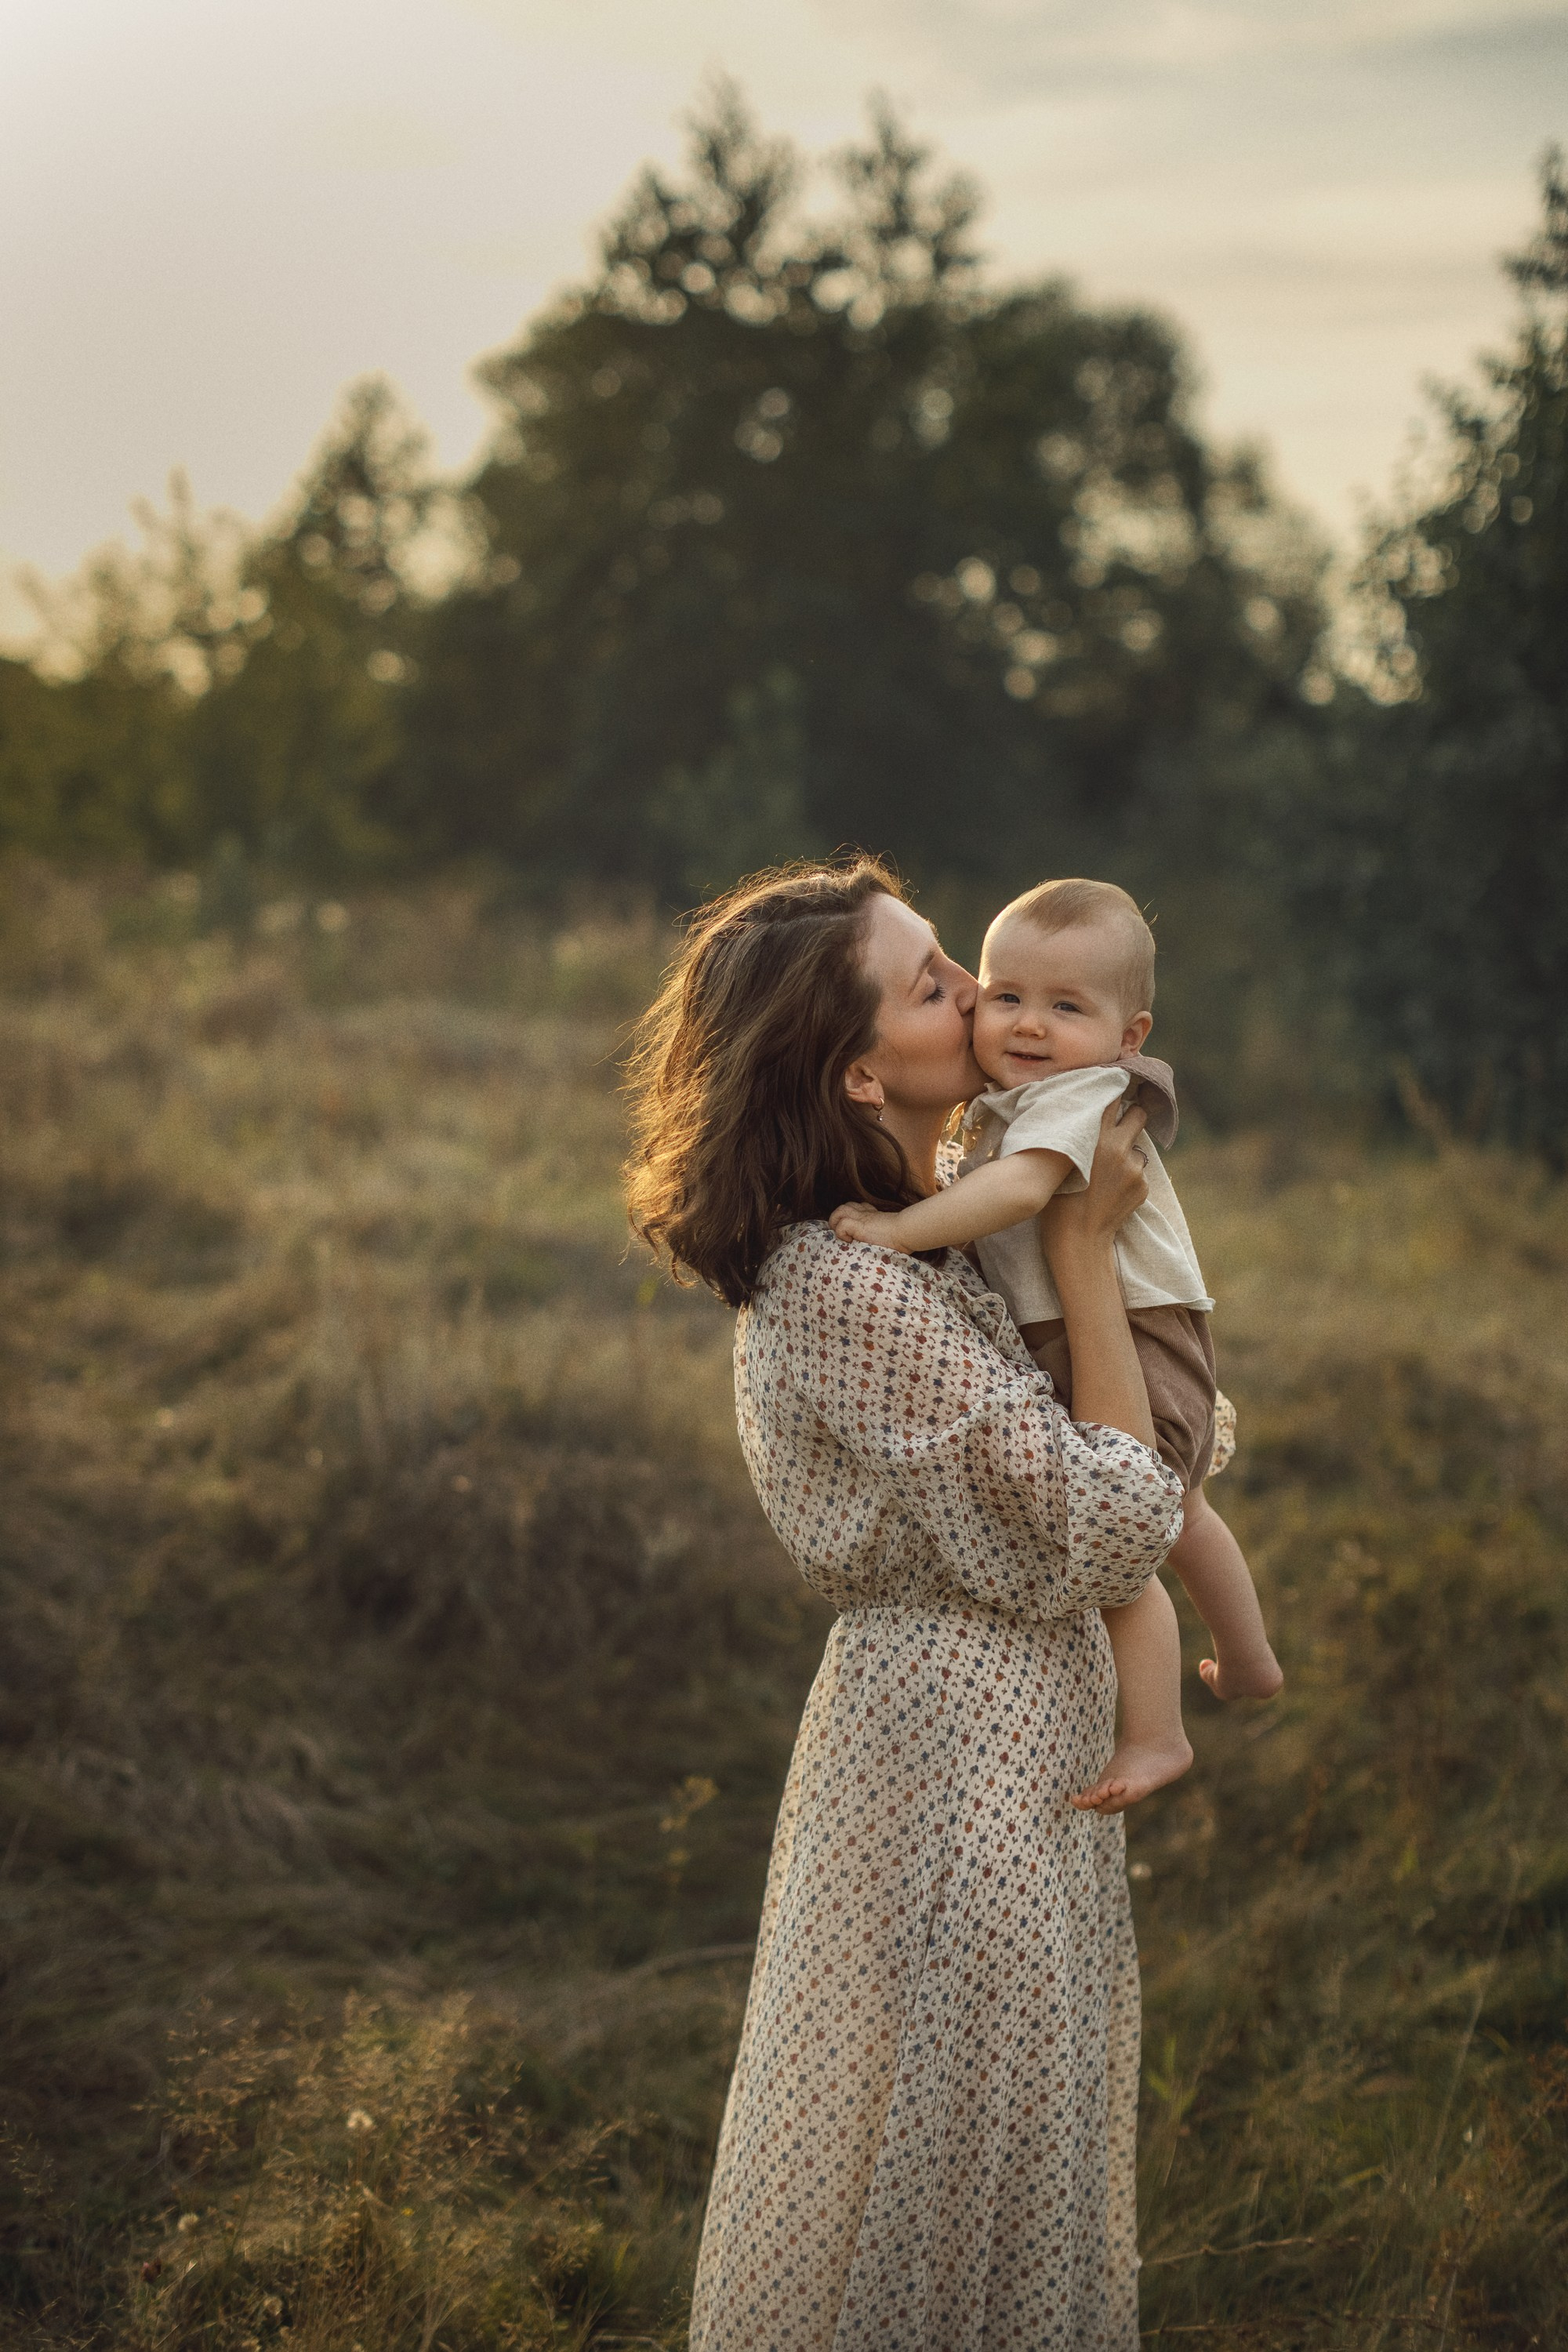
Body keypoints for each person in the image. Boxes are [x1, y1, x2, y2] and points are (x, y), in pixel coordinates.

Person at [626, 858, 1187, 2350]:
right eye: (938, 978)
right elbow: (1123, 1513)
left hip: (990, 1745)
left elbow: (1181, 1449)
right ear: (863, 1068)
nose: (985, 1001)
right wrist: (1080, 1244)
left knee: (970, 2179)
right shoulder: (850, 1285)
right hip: (961, 1770)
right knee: (946, 2201)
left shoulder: (936, 1236)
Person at [830, 878, 1282, 1814]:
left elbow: (1018, 1196)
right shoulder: (1026, 1100)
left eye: (1064, 1007)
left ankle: (1158, 1731)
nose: (1026, 1026)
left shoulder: (1075, 1101)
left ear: (1129, 1037)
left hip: (1134, 1333)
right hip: (1115, 1329)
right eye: (1007, 997)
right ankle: (1246, 1659)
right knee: (1182, 1509)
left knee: (1129, 1526)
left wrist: (893, 1235)